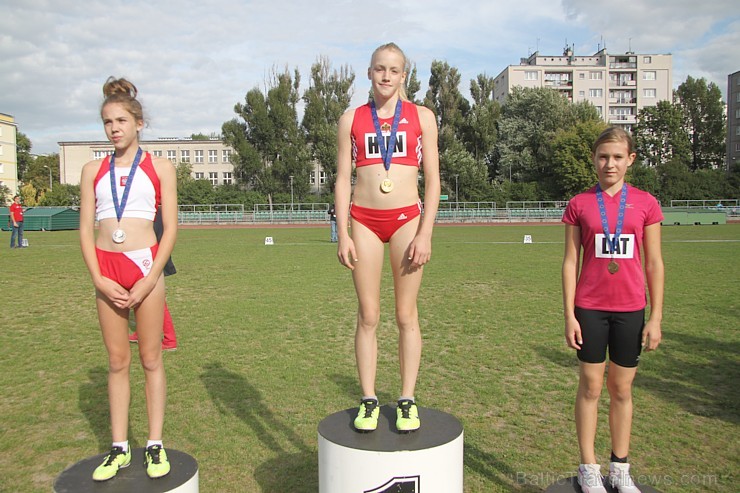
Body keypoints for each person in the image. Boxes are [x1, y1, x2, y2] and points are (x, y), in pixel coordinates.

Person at [335, 42, 440, 433]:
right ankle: (368, 400)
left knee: (405, 315)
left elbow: (433, 180)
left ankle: (407, 399)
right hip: (363, 220)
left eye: (394, 71)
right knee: (368, 315)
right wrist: (343, 232)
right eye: (379, 69)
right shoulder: (351, 119)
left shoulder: (422, 117)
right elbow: (343, 178)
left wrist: (425, 232)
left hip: (406, 222)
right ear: (369, 72)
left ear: (403, 76)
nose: (386, 76)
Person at [79, 77, 177, 481]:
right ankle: (119, 447)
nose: (113, 128)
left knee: (150, 359)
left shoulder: (160, 167)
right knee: (117, 361)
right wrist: (99, 279)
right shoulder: (91, 170)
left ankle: (154, 445)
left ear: (138, 122)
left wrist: (150, 278)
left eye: (121, 120)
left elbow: (170, 229)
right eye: (107, 122)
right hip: (106, 268)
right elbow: (85, 229)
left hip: (145, 267)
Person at [562, 127, 664, 493]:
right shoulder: (579, 203)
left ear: (630, 160)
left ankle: (619, 467)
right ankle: (589, 467)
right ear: (593, 159)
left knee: (622, 389)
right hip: (589, 308)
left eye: (618, 157)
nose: (610, 164)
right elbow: (570, 262)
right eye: (603, 157)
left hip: (631, 310)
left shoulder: (646, 203)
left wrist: (655, 317)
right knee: (590, 387)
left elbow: (654, 263)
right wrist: (569, 314)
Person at [129, 207, 178, 350]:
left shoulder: (153, 211)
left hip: (149, 259)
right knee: (140, 298)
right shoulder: (157, 211)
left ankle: (170, 340)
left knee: (157, 301)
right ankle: (141, 332)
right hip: (149, 258)